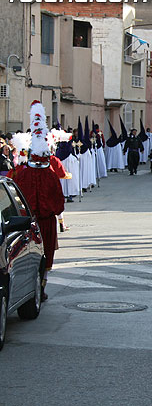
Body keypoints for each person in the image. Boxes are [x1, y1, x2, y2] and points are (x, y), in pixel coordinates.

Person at [14, 101, 65, 301]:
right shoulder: (51, 175)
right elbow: (59, 203)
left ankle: (28, 289)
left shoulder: (22, 175)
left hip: (26, 224)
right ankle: (40, 289)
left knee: (27, 258)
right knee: (45, 258)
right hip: (45, 222)